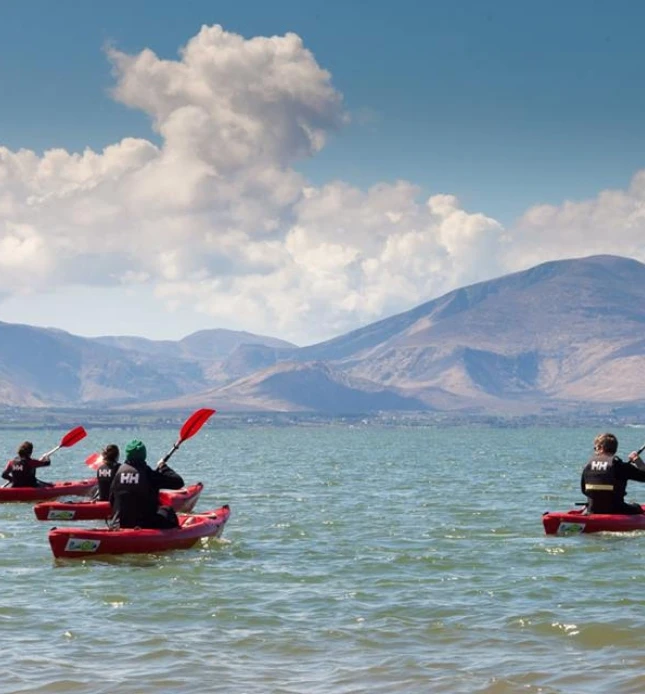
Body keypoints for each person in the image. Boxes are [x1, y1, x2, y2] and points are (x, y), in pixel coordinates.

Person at [108, 439, 184, 529]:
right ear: (143, 455)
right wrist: (163, 467)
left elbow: (111, 500)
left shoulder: (118, 473)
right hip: (144, 525)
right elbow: (178, 482)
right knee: (167, 511)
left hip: (118, 525)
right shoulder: (149, 474)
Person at [580, 433, 645, 514]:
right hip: (617, 510)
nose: (595, 451)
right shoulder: (621, 467)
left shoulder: (588, 466)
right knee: (636, 507)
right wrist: (637, 460)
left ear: (601, 448)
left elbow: (584, 490)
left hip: (592, 510)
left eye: (595, 448)